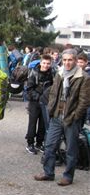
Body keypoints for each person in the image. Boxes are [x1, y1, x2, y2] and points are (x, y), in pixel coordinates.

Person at [34, 49, 90, 186]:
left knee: (71, 149)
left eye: (70, 60)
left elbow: (84, 102)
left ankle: (68, 176)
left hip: (71, 118)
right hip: (56, 116)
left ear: (76, 61)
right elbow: (53, 93)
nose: (67, 62)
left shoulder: (83, 77)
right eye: (64, 60)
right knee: (49, 145)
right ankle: (48, 173)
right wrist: (51, 110)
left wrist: (74, 116)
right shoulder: (60, 73)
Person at [25, 54, 55, 154]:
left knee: (43, 123)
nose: (46, 65)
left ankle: (39, 143)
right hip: (35, 102)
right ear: (40, 62)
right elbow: (29, 89)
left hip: (46, 102)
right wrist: (38, 97)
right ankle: (30, 143)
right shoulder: (33, 73)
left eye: (48, 63)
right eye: (44, 63)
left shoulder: (52, 73)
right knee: (32, 123)